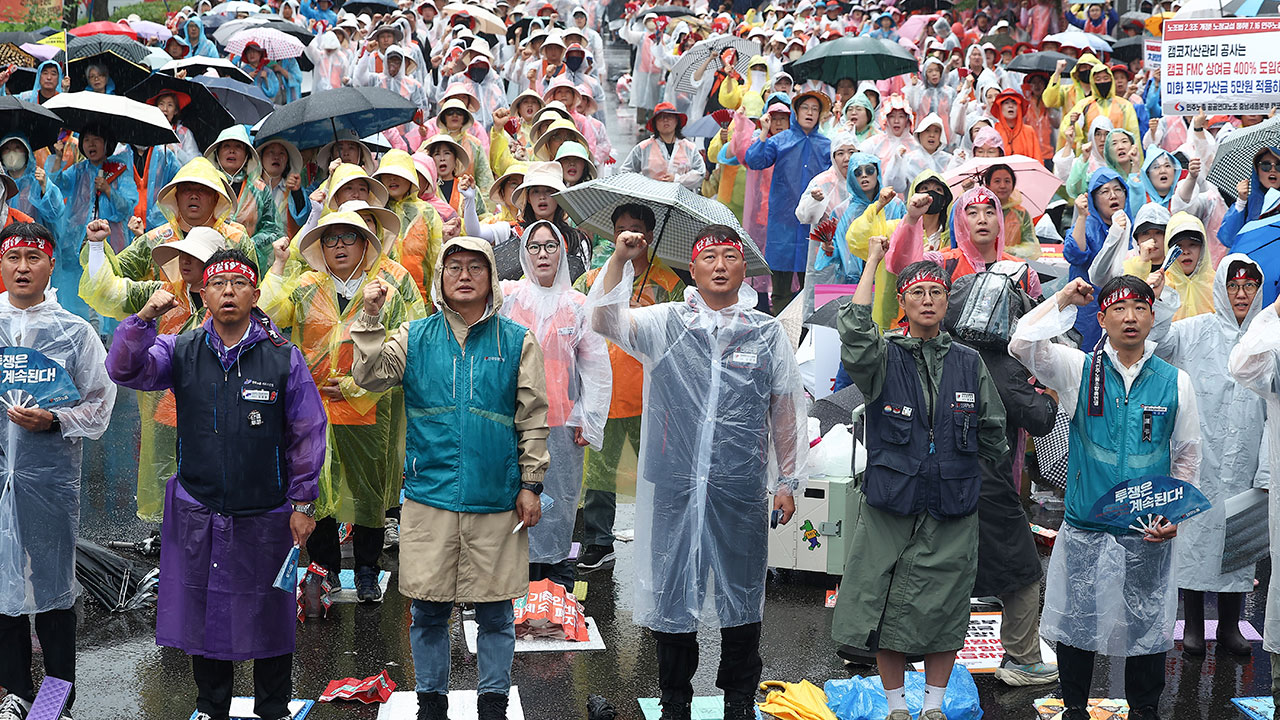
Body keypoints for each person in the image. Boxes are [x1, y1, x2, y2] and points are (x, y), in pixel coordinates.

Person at [587, 225, 807, 720]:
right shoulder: (667, 322)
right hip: (675, 485)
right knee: (674, 594)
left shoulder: (766, 332)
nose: (722, 265)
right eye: (711, 257)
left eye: (732, 256)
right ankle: (675, 702)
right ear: (695, 266)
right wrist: (622, 260)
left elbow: (786, 410)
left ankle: (737, 700)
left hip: (739, 488)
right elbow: (602, 318)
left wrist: (787, 482)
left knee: (742, 597)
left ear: (743, 269)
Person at [106, 248, 326, 720]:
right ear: (202, 293)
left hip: (265, 511)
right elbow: (123, 369)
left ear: (255, 292)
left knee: (271, 616)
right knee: (204, 614)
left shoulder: (282, 357)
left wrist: (303, 500)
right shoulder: (179, 348)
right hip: (199, 508)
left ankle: (274, 708)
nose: (228, 292)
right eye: (218, 284)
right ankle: (210, 707)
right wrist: (143, 320)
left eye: (239, 283)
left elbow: (308, 430)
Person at [350, 235, 549, 720]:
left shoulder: (517, 340)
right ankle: (431, 704)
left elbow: (534, 417)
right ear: (440, 278)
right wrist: (370, 318)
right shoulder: (414, 336)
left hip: (496, 498)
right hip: (428, 496)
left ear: (491, 281)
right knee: (428, 609)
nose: (464, 275)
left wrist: (530, 484)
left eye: (475, 268)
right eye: (454, 266)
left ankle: (493, 703)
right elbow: (368, 376)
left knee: (498, 612)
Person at [1009, 274, 1201, 720]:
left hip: (1146, 530)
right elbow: (1021, 343)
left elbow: (1187, 456)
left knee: (1146, 624)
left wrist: (1177, 515)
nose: (1130, 318)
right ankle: (1075, 706)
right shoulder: (1079, 369)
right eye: (1118, 309)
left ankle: (1145, 709)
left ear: (1154, 316)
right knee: (1078, 621)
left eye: (1139, 308)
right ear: (1102, 318)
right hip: (1086, 526)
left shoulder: (1176, 383)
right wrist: (1061, 299)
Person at [832, 241, 1009, 720]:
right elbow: (853, 331)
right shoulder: (883, 358)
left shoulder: (970, 362)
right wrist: (871, 262)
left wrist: (982, 467)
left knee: (945, 608)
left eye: (936, 292)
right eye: (918, 293)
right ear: (904, 304)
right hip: (892, 502)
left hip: (953, 503)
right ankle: (896, 709)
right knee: (884, 605)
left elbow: (994, 428)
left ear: (947, 301)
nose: (928, 299)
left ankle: (932, 708)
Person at [261, 211, 423, 603]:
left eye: (348, 238)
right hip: (312, 407)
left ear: (365, 244)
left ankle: (367, 570)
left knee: (367, 491)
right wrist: (279, 265)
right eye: (330, 240)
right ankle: (326, 568)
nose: (339, 247)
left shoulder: (387, 287)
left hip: (369, 407)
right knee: (316, 487)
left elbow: (408, 340)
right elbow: (267, 313)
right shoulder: (303, 286)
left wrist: (353, 386)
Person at [0, 222, 117, 720]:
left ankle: (55, 700)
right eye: (13, 258)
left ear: (51, 265)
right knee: (2, 590)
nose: (23, 267)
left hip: (49, 481)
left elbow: (100, 404)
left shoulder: (75, 332)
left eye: (34, 258)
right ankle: (12, 692)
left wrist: (56, 418)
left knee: (52, 590)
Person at [1148, 255, 1270, 657]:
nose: (1240, 294)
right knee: (1195, 539)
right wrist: (1159, 299)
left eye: (1248, 286)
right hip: (1201, 453)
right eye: (1233, 286)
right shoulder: (1195, 330)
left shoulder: (1268, 336)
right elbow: (1159, 342)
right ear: (1220, 288)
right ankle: (1195, 624)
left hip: (1249, 454)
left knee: (1242, 538)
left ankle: (1232, 625)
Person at [500, 221, 611, 590]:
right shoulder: (510, 297)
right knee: (511, 494)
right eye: (535, 247)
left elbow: (595, 366)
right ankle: (513, 581)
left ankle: (555, 582)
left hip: (562, 423)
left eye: (550, 246)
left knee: (559, 501)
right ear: (524, 253)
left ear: (562, 252)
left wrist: (590, 420)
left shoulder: (577, 306)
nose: (543, 254)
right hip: (511, 419)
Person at [574, 204, 685, 573]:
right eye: (621, 229)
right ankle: (597, 541)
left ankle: (663, 538)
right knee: (598, 473)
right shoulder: (592, 279)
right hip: (602, 390)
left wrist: (642, 316)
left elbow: (681, 337)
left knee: (656, 470)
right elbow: (573, 322)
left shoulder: (669, 285)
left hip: (650, 396)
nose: (629, 236)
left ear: (650, 236)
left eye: (636, 229)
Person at [745, 91, 833, 313]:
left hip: (815, 223)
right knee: (781, 290)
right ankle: (783, 335)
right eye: (805, 108)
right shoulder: (780, 140)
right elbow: (754, 160)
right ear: (796, 112)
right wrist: (764, 132)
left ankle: (808, 336)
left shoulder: (827, 145)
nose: (810, 113)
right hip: (783, 222)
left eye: (815, 109)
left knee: (812, 285)